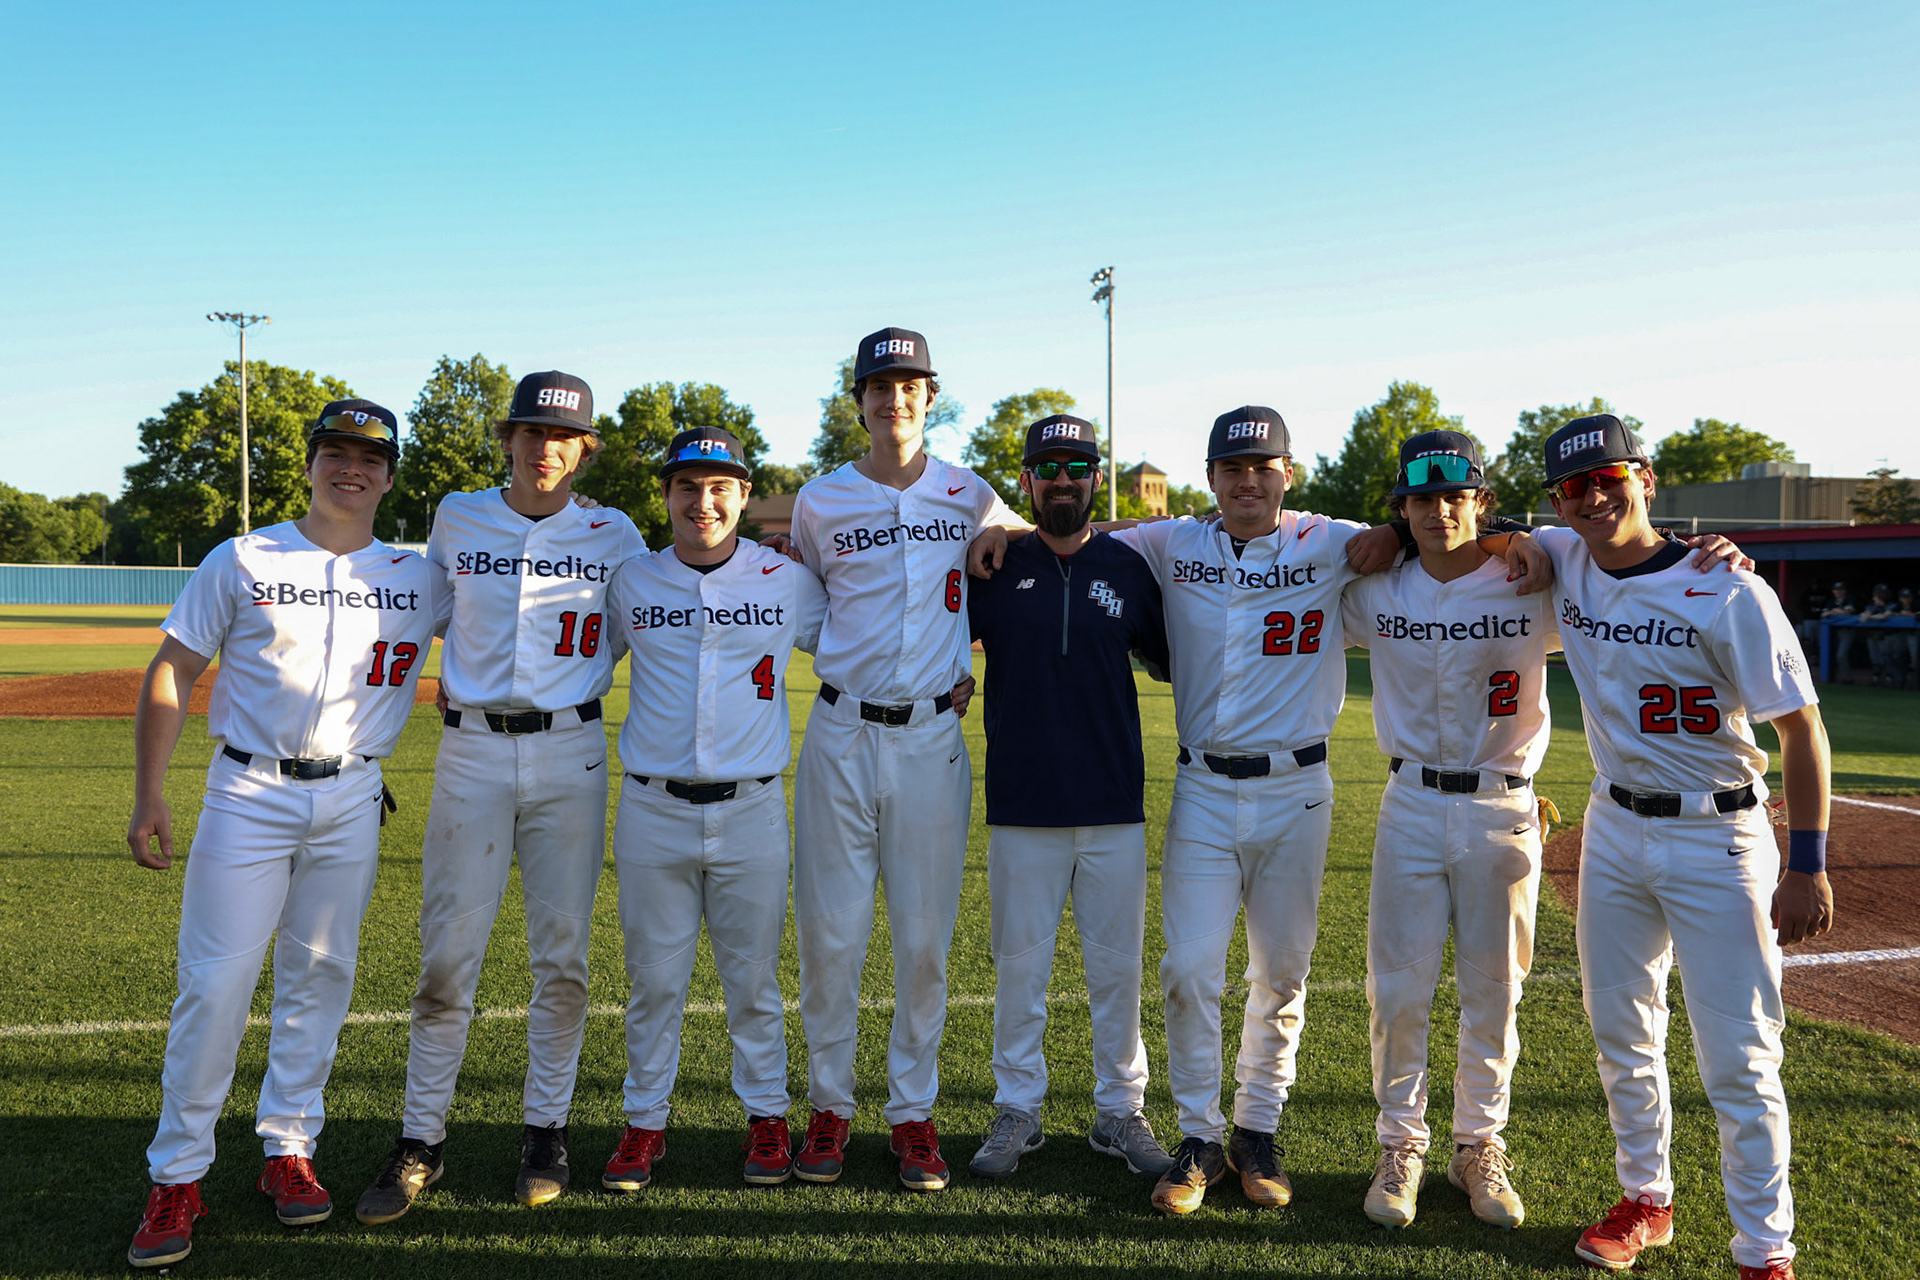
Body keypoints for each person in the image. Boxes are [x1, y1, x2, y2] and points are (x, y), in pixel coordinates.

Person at [1098, 406, 1473, 1216]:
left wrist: (1454, 532)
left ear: (1288, 473)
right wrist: (995, 530)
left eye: (1262, 467)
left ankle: (1256, 1130)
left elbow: (1453, 527)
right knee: (1188, 969)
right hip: (1202, 785)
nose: (1247, 481)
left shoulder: (1333, 540)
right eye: (1232, 469)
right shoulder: (1172, 542)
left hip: (1297, 787)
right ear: (1209, 480)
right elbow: (1084, 538)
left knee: (1282, 972)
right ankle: (1198, 1137)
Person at [124, 400, 445, 1268]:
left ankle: (288, 1150)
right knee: (216, 984)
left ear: (388, 474)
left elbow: (498, 644)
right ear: (308, 464)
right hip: (247, 791)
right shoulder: (245, 556)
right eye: (336, 453)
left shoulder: (419, 577)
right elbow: (174, 669)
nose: (353, 469)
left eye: (371, 458)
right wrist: (150, 792)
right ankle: (178, 1172)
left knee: (320, 978)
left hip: (352, 796)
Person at [1514, 413, 1832, 1280]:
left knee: (1740, 1055)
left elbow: (1803, 732)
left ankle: (1765, 1250)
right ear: (1557, 499)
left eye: (1607, 478)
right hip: (1614, 827)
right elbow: (1462, 530)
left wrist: (1806, 862)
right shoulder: (1565, 554)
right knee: (1623, 1033)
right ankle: (1646, 1199)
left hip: (1719, 833)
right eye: (1573, 487)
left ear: (1644, 477)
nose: (1592, 497)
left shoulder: (1727, 586)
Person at [357, 371, 646, 1223]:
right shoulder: (459, 513)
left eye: (562, 436)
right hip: (472, 752)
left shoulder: (615, 531)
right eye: (529, 432)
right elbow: (424, 610)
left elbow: (646, 628)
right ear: (509, 439)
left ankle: (545, 1130)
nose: (544, 448)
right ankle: (421, 1139)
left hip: (572, 753)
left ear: (583, 447)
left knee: (562, 957)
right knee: (448, 956)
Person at [786, 327, 1012, 1192]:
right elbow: (803, 604)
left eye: (910, 384)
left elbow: (1013, 531)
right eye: (880, 386)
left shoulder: (969, 492)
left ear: (931, 396)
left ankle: (913, 1113)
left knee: (924, 940)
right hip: (841, 732)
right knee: (831, 935)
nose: (895, 398)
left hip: (930, 737)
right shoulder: (820, 499)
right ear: (860, 401)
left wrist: (1006, 534)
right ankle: (830, 1106)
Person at [597, 427, 826, 1191]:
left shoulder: (786, 580)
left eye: (721, 487)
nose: (704, 501)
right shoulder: (632, 580)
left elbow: (850, 645)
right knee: (653, 981)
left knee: (753, 981)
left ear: (743, 494)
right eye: (688, 487)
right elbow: (586, 663)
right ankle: (644, 1124)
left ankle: (767, 1119)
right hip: (652, 808)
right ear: (665, 495)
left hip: (753, 806)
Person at [1339, 431, 1556, 1230]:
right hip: (1411, 803)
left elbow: (1617, 553)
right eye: (1422, 499)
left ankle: (1480, 1145)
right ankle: (1400, 1143)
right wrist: (1392, 537)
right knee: (1396, 989)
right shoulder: (1373, 589)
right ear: (1401, 508)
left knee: (1494, 991)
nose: (1441, 510)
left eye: (1457, 496)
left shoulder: (1535, 575)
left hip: (1504, 802)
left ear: (1483, 502)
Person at [963, 414, 1176, 1181]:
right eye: (1047, 467)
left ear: (1094, 477)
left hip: (1112, 803)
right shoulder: (991, 565)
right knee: (1020, 970)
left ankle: (1120, 1112)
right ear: (1025, 480)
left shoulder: (1128, 567)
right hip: (1022, 806)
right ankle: (1019, 1107)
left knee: (1117, 970)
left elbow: (1169, 657)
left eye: (1076, 466)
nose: (1062, 479)